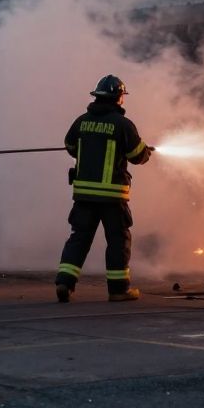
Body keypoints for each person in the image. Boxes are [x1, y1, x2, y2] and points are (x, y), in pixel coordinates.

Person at [55, 75, 152, 303]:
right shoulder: (123, 125)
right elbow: (138, 155)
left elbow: (70, 146)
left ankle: (64, 283)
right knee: (118, 240)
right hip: (112, 197)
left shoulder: (81, 121)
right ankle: (118, 290)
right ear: (118, 98)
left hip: (84, 195)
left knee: (79, 238)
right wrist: (146, 150)